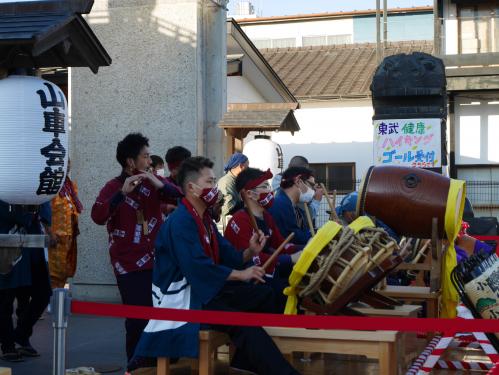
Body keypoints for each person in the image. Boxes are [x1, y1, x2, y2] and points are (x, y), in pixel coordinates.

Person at [134, 157, 299, 375]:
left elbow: (229, 254)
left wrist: (250, 251)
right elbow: (198, 268)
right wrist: (241, 274)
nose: (215, 188)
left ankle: (243, 364)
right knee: (246, 325)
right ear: (192, 188)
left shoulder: (205, 219)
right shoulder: (181, 222)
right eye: (210, 182)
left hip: (204, 290)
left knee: (265, 294)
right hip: (184, 300)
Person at [91, 133, 182, 370]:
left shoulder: (153, 184)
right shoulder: (113, 187)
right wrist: (122, 193)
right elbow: (97, 216)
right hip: (129, 265)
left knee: (163, 318)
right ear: (130, 162)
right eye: (145, 156)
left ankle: (162, 368)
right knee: (137, 320)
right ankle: (136, 368)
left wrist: (159, 183)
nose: (149, 160)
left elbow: (182, 197)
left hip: (160, 262)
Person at [224, 167, 303, 308]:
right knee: (282, 293)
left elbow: (281, 245)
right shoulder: (240, 220)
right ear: (249, 194)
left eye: (269, 186)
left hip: (266, 274)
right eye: (265, 186)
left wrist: (305, 249)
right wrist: (290, 259)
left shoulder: (266, 216)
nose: (270, 191)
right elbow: (253, 259)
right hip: (244, 282)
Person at [0, 202, 52, 362]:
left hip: (32, 243)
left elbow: (44, 201)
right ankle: (8, 345)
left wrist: (44, 220)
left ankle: (21, 335)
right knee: (5, 299)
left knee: (42, 293)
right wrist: (30, 213)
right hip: (6, 242)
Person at [48, 159, 82, 288]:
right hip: (55, 237)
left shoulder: (70, 185)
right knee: (53, 274)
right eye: (63, 163)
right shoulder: (49, 185)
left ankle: (58, 302)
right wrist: (49, 232)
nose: (67, 166)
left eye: (68, 163)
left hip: (69, 236)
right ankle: (51, 304)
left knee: (65, 271)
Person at [268, 167, 316, 245]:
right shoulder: (280, 205)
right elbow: (294, 237)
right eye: (311, 185)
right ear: (298, 181)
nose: (313, 190)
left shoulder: (295, 208)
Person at [272, 155, 323, 224]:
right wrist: (316, 201)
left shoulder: (282, 192)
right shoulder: (290, 198)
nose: (310, 188)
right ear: (298, 180)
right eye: (309, 184)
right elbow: (306, 218)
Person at [336, 191, 400, 242]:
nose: (342, 215)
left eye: (344, 213)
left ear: (352, 213)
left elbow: (392, 237)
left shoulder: (370, 219)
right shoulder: (342, 212)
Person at [217, 152, 249, 220]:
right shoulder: (226, 182)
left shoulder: (237, 180)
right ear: (241, 166)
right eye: (247, 167)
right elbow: (228, 209)